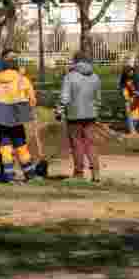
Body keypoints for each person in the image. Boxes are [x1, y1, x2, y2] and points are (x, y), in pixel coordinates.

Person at [0, 49, 42, 183]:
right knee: (21, 145)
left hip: (1, 117)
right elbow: (32, 98)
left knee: (5, 146)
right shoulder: (22, 79)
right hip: (18, 116)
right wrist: (29, 107)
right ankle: (29, 174)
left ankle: (8, 175)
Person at [56, 50, 103, 181]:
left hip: (74, 115)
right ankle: (96, 173)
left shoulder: (70, 76)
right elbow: (98, 99)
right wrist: (95, 111)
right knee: (91, 143)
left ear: (75, 61)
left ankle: (78, 173)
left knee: (77, 144)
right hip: (91, 116)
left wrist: (59, 111)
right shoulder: (95, 77)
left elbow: (65, 97)